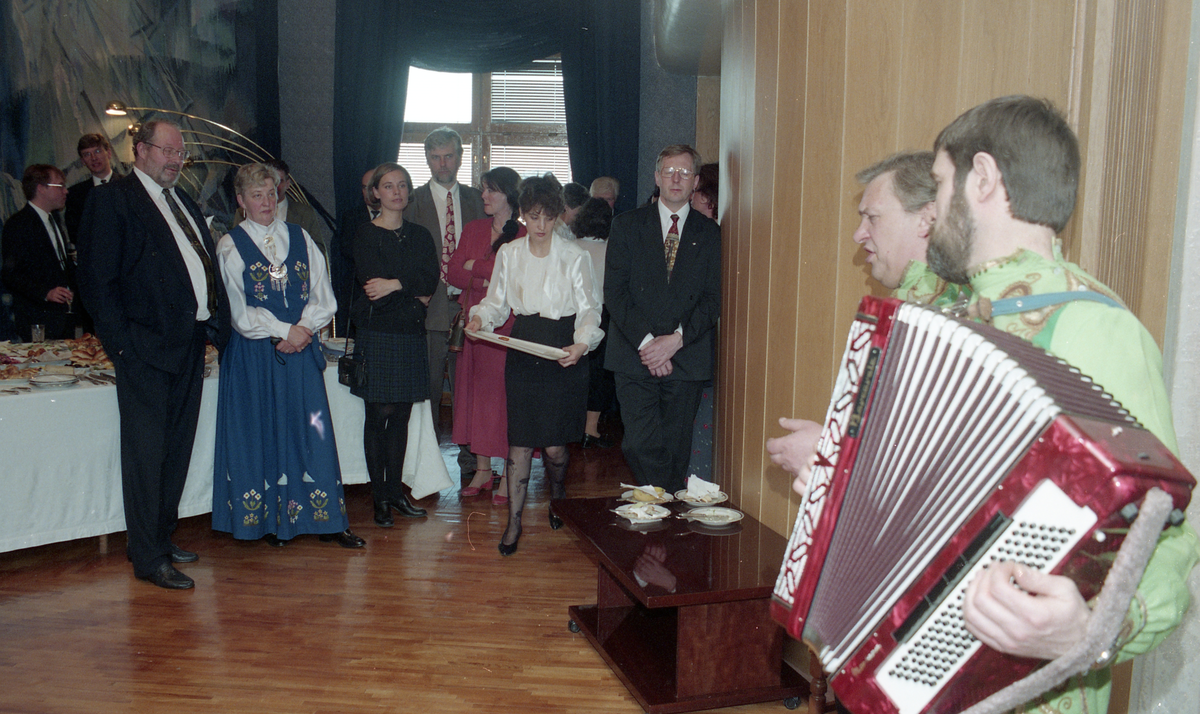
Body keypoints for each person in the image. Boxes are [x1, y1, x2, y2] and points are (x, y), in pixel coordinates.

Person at [77, 119, 232, 590]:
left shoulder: (180, 199)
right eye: (166, 151)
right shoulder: (112, 200)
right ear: (139, 150)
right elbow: (96, 282)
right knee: (146, 455)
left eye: (180, 153)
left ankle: (160, 538)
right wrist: (122, 345)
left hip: (186, 344)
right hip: (143, 348)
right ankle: (147, 557)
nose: (175, 160)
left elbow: (198, 262)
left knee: (175, 450)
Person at [766, 151, 967, 474]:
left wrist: (824, 455)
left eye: (872, 217)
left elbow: (915, 457)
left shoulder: (924, 317)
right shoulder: (942, 298)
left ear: (927, 218)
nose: (858, 234)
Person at [211, 162, 363, 549]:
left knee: (311, 430)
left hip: (298, 353)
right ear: (242, 201)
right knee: (262, 432)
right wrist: (285, 331)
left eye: (270, 191)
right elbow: (239, 313)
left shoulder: (301, 237)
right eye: (256, 195)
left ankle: (326, 520)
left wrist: (303, 330)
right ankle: (268, 523)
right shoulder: (230, 244)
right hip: (254, 358)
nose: (265, 201)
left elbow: (323, 297)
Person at [467, 175, 603, 556]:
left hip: (564, 348)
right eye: (533, 217)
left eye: (547, 218)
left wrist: (581, 343)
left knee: (557, 448)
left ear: (558, 216)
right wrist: (480, 319)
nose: (540, 227)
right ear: (523, 215)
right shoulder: (510, 254)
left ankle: (558, 493)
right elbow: (496, 303)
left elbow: (590, 309)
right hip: (525, 347)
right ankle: (514, 523)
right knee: (520, 443)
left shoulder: (574, 256)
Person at [604, 145, 721, 495]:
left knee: (676, 449)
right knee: (636, 445)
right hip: (633, 355)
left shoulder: (710, 233)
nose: (676, 178)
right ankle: (664, 504)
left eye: (684, 173)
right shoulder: (626, 225)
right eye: (669, 171)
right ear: (656, 177)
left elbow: (712, 299)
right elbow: (615, 293)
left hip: (686, 358)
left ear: (695, 181)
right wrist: (649, 345)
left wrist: (674, 342)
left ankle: (660, 521)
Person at [351, 162, 439, 527]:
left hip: (409, 335)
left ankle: (395, 492)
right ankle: (379, 498)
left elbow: (429, 280)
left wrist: (396, 283)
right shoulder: (365, 235)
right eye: (389, 186)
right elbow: (373, 291)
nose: (397, 192)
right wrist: (408, 290)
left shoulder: (420, 235)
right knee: (378, 415)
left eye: (402, 185)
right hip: (379, 334)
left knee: (401, 416)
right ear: (375, 193)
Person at [447, 167, 524, 501]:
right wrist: (486, 277)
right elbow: (451, 272)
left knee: (502, 401)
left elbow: (516, 280)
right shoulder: (474, 228)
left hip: (506, 327)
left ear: (509, 194)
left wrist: (474, 269)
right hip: (473, 326)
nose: (484, 197)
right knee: (474, 397)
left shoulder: (522, 234)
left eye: (491, 190)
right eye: (483, 190)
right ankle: (481, 469)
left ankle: (509, 473)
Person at [403, 127, 486, 413]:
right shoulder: (411, 202)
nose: (442, 164)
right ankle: (427, 454)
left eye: (448, 156)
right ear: (427, 159)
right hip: (429, 307)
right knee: (429, 388)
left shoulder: (478, 200)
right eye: (435, 157)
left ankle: (468, 454)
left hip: (471, 305)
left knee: (469, 388)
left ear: (460, 157)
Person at [1, 165, 77, 341]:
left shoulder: (55, 219)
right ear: (41, 189)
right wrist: (46, 292)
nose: (66, 191)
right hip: (37, 320)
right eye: (60, 186)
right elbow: (10, 275)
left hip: (63, 318)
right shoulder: (18, 225)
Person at [572, 197, 616, 448]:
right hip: (605, 318)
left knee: (575, 371)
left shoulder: (569, 247)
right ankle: (591, 430)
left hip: (573, 316)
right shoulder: (613, 249)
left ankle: (573, 426)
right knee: (600, 376)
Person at [233, 158, 329, 260]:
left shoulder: (304, 212)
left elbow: (319, 251)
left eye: (280, 181)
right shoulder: (242, 212)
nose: (276, 186)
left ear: (288, 184)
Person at [329, 167, 377, 336]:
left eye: (372, 186)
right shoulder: (351, 216)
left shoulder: (400, 216)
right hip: (357, 291)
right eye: (364, 187)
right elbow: (347, 249)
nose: (368, 192)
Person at [65, 133, 119, 242]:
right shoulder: (75, 194)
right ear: (82, 161)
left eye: (97, 151)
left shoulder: (130, 186)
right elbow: (75, 234)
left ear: (108, 153)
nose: (93, 158)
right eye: (87, 154)